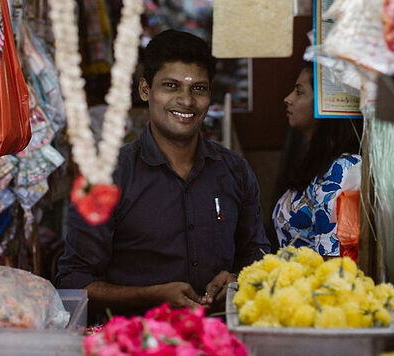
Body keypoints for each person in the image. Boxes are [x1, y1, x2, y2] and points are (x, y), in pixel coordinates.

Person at [56, 29, 270, 318]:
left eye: (198, 88)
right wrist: (153, 295)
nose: (186, 101)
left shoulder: (234, 171)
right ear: (145, 90)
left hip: (218, 339)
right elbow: (74, 283)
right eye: (171, 86)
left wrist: (237, 281)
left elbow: (258, 257)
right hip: (135, 342)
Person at [272, 62, 362, 257]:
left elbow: (334, 260)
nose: (287, 99)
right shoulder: (317, 162)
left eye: (299, 92)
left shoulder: (343, 169)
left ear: (326, 102)